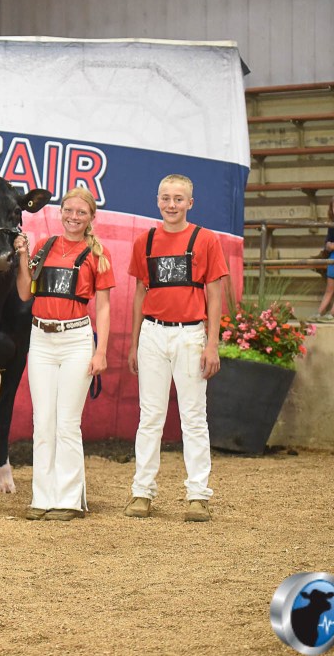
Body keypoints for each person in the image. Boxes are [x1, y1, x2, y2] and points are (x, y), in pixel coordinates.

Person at [124, 174, 228, 522]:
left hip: (190, 335)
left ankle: (198, 495)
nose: (171, 204)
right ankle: (142, 492)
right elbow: (140, 292)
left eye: (178, 199)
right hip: (153, 334)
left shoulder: (206, 240)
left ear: (190, 203)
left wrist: (212, 343)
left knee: (193, 417)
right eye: (166, 198)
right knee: (150, 416)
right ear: (157, 201)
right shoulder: (145, 241)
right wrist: (135, 342)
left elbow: (215, 294)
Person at [13, 187, 114, 522]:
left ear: (91, 217)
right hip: (41, 338)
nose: (73, 217)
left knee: (68, 423)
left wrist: (101, 351)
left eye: (81, 212)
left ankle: (69, 499)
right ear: (61, 212)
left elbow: (103, 306)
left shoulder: (98, 254)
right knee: (43, 421)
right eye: (68, 210)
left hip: (76, 340)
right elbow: (25, 292)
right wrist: (23, 257)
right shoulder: (46, 245)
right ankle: (42, 497)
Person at [307, 195, 334, 324]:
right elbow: (327, 244)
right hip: (333, 257)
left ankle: (332, 313)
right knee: (330, 287)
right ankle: (320, 312)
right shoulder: (331, 225)